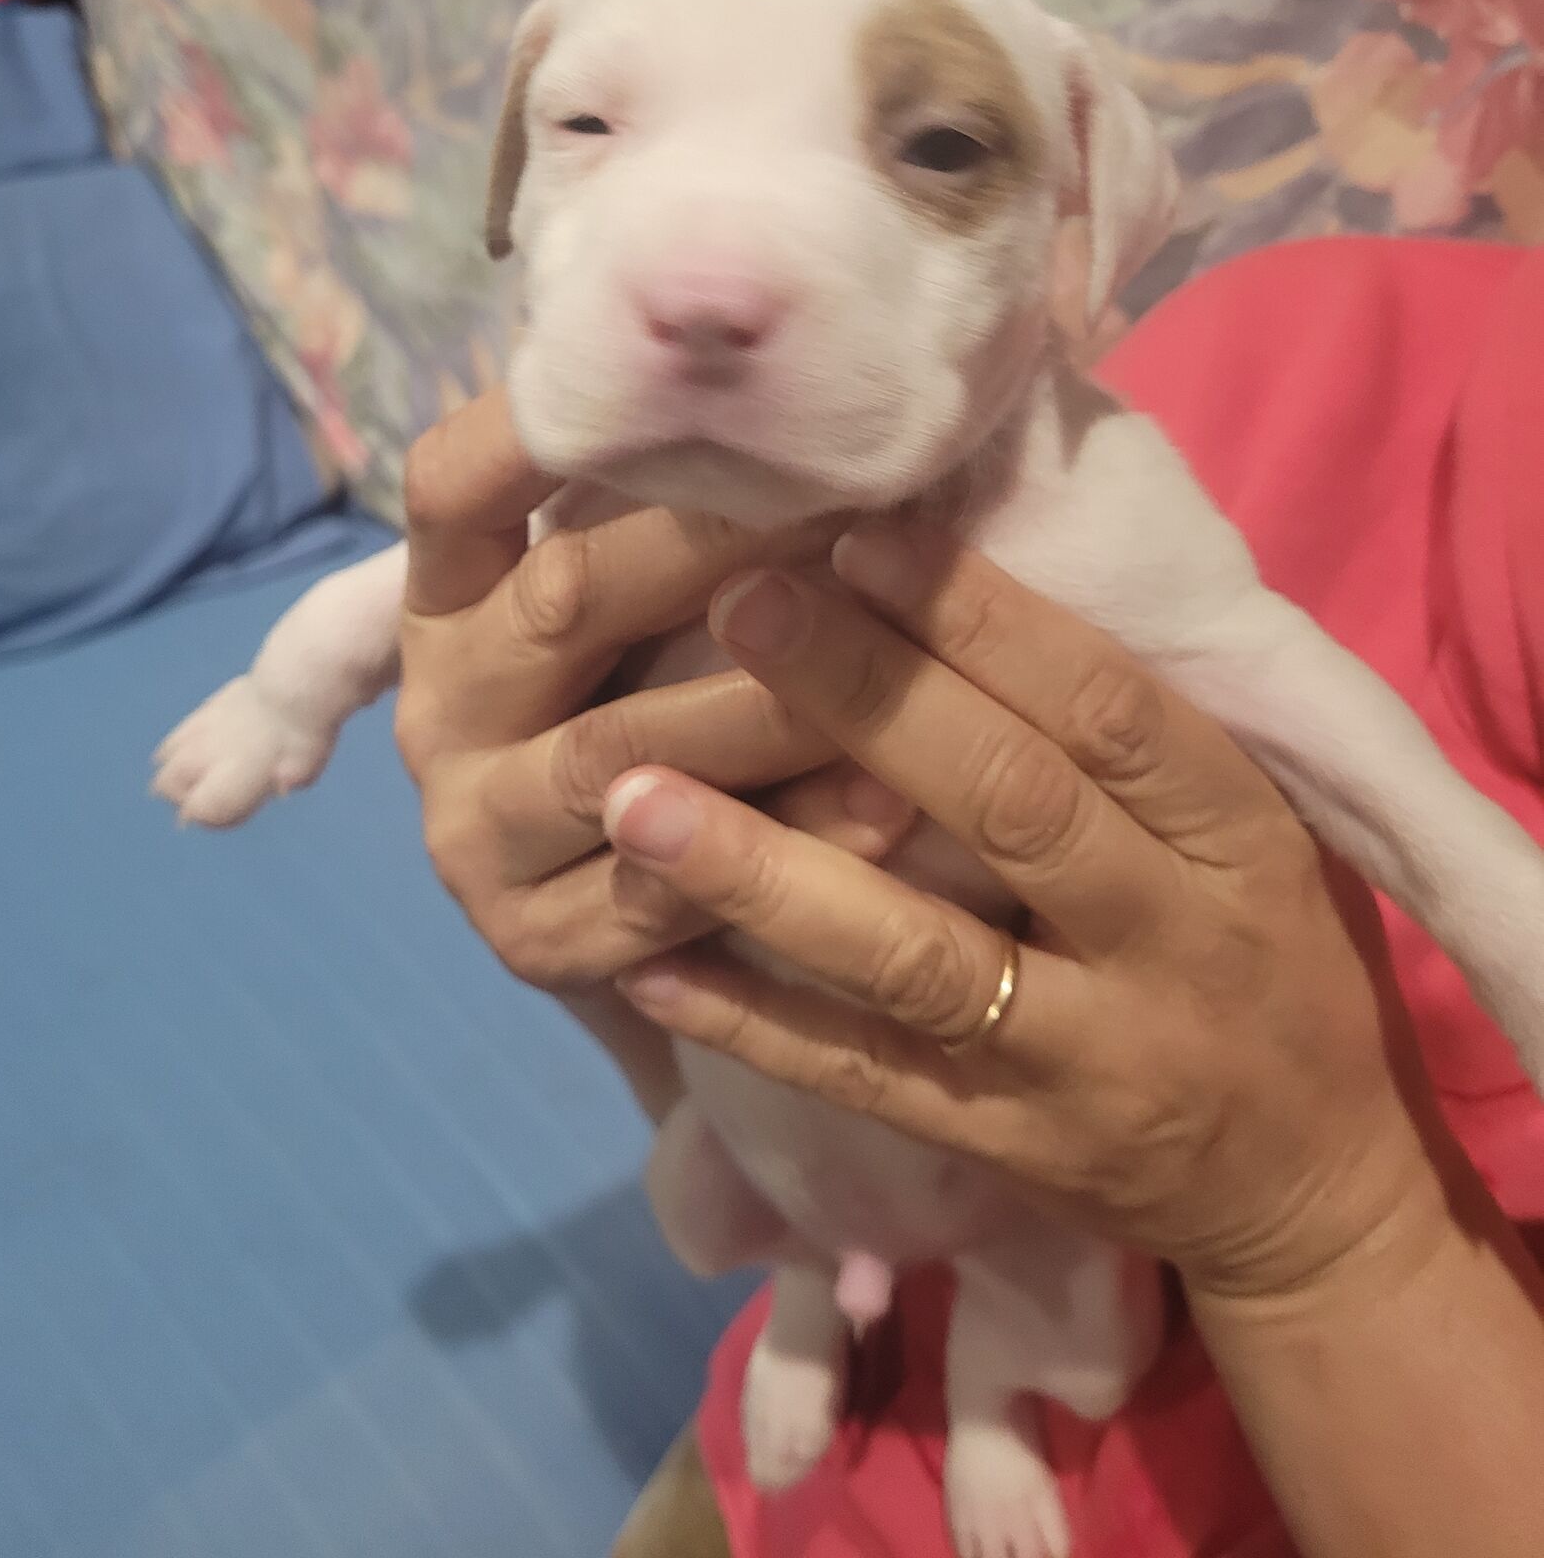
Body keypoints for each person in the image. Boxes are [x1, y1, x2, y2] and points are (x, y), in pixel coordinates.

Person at [396, 234, 1544, 1558]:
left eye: (931, 148)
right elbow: (746, 984)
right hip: (813, 1362)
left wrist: (1330, 1233)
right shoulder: (1284, 329)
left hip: (1122, 1367)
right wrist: (583, 916)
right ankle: (829, 1295)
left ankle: (959, 1356)